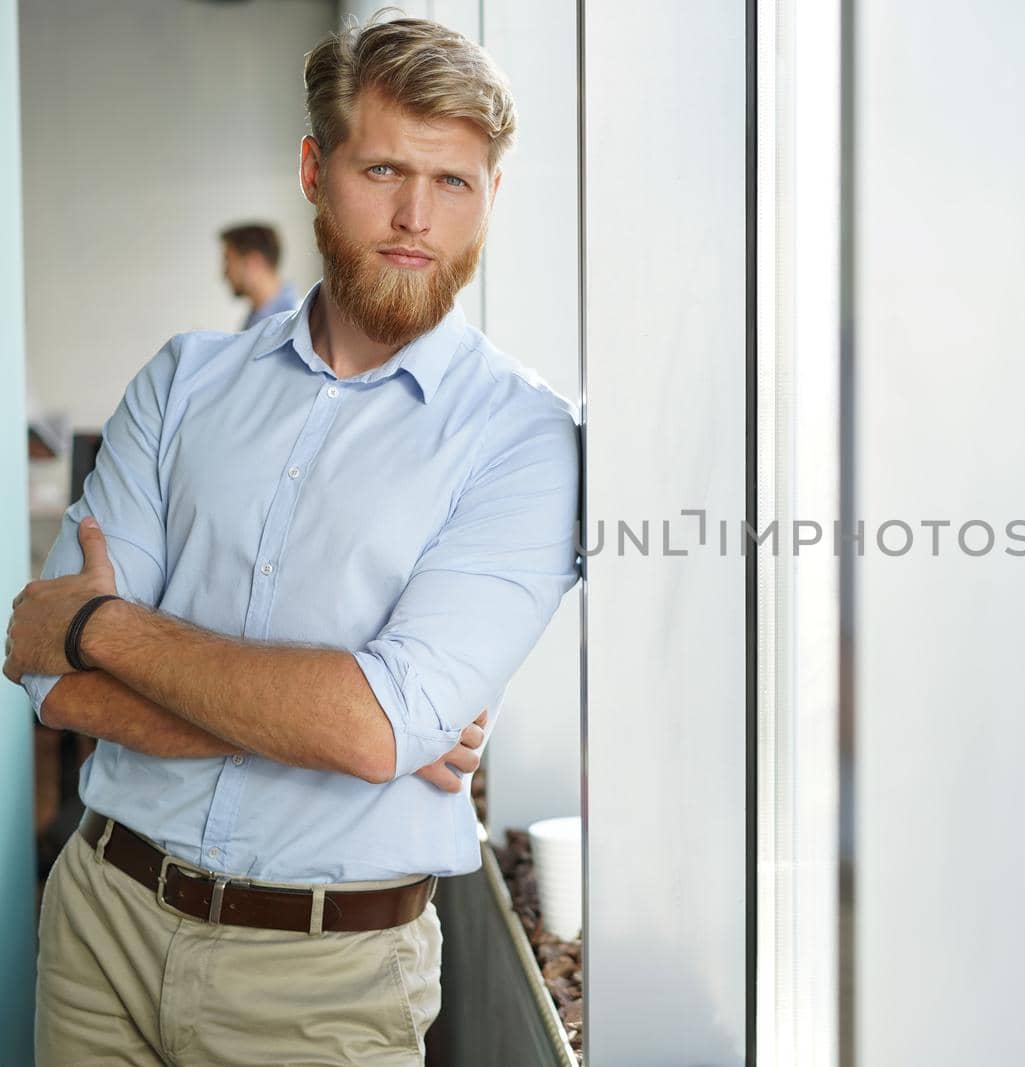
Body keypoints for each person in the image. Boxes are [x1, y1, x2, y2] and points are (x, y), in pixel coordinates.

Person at [4, 12, 578, 1065]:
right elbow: (45, 671)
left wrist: (104, 626)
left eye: (453, 182)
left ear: (493, 196)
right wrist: (340, 722)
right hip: (98, 923)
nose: (415, 216)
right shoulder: (184, 379)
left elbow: (368, 728)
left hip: (325, 979)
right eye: (384, 169)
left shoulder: (525, 440)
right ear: (316, 170)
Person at [220, 222, 299, 329]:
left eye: (228, 262)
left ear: (254, 262)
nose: (225, 274)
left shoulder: (295, 322)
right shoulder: (255, 319)